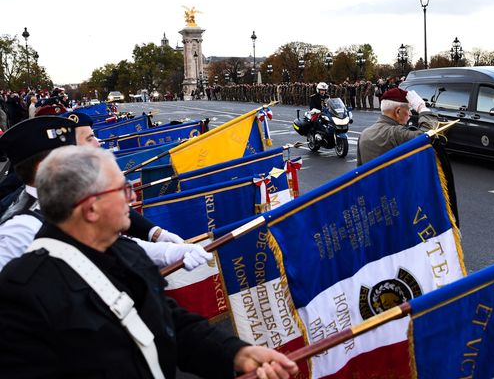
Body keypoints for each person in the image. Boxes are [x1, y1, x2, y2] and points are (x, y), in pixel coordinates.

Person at [0, 146, 298, 379]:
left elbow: (168, 322)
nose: (131, 200)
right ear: (91, 209)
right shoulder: (21, 293)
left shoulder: (126, 253)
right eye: (122, 190)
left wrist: (235, 353)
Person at [0, 116, 210, 272]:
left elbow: (116, 245)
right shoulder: (19, 230)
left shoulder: (73, 200)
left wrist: (168, 252)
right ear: (44, 168)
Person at [357, 87, 438, 166]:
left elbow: (359, 170)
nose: (410, 114)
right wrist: (422, 108)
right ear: (398, 111)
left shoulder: (364, 134)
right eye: (408, 109)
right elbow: (428, 135)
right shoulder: (396, 133)